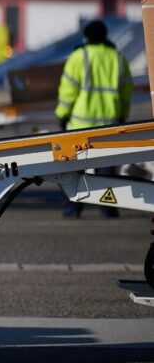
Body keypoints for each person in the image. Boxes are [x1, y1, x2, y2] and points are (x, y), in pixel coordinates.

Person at [56, 19, 133, 218]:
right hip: (109, 121)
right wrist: (122, 115)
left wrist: (62, 115)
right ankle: (108, 208)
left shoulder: (78, 57)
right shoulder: (117, 57)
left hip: (81, 122)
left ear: (87, 36)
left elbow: (67, 91)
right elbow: (126, 90)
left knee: (74, 169)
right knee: (107, 169)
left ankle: (73, 207)